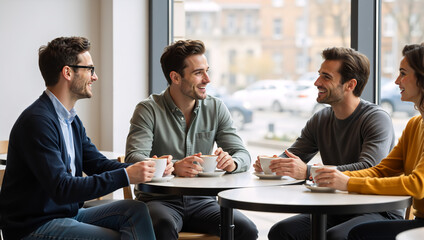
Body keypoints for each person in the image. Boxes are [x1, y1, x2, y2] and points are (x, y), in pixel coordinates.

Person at [0, 36, 158, 240]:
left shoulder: (70, 120)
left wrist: (146, 169)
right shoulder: (38, 121)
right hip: (33, 226)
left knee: (135, 211)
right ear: (67, 72)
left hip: (66, 215)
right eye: (90, 69)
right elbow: (62, 188)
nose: (95, 77)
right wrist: (127, 176)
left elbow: (97, 164)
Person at [253, 47, 403, 240]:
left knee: (336, 237)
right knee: (282, 232)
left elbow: (370, 167)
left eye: (326, 77)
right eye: (318, 76)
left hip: (378, 210)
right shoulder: (321, 118)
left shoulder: (376, 118)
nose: (317, 83)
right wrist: (271, 164)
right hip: (336, 207)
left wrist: (308, 172)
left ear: (350, 85)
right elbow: (293, 156)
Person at [125, 39, 258, 240]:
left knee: (245, 229)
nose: (207, 79)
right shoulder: (148, 109)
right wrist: (175, 167)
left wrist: (232, 163)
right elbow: (134, 157)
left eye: (207, 71)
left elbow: (243, 154)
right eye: (198, 73)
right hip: (159, 201)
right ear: (176, 77)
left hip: (203, 201)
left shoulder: (216, 108)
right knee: (161, 226)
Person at [314, 43, 424, 240]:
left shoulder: (376, 117)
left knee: (354, 235)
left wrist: (349, 183)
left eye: (403, 73)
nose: (397, 81)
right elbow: (381, 170)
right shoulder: (415, 125)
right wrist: (336, 177)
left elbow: (417, 184)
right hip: (419, 222)